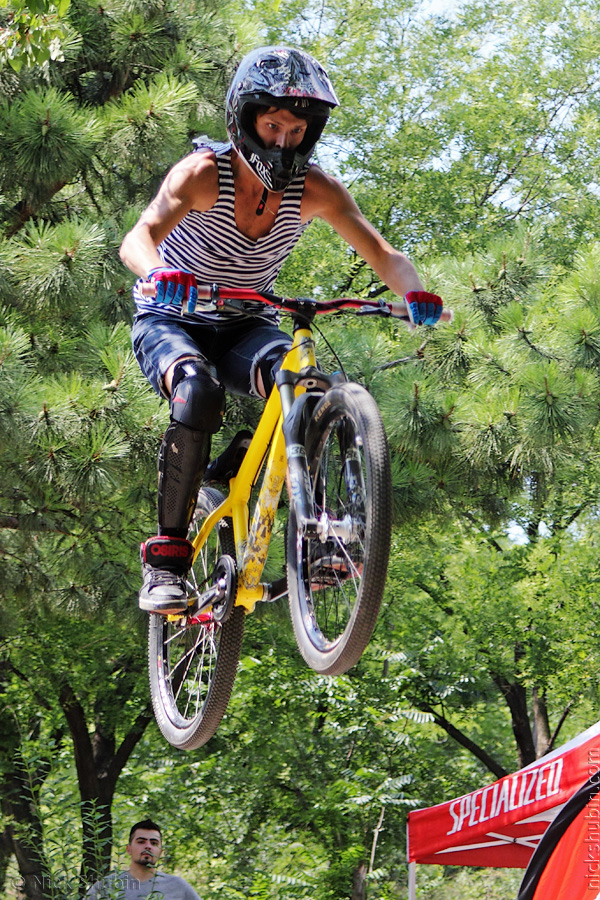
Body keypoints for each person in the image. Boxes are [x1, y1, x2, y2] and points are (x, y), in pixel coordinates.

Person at [120, 45, 443, 615]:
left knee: (305, 385)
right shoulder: (201, 173)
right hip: (172, 317)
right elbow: (137, 239)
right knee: (196, 391)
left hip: (246, 321)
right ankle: (166, 556)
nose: (282, 141)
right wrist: (159, 273)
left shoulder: (314, 189)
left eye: (296, 130)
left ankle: (319, 535)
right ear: (244, 119)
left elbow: (383, 254)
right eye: (271, 125)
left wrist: (413, 291)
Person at [86, 819, 201, 899]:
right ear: (128, 849)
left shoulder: (178, 886)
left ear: (161, 852)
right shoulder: (108, 885)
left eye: (154, 843)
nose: (148, 846)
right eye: (141, 842)